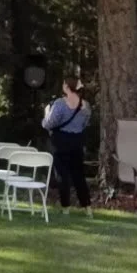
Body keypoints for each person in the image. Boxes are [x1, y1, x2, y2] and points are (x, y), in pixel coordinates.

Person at [43, 74, 92, 210]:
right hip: (77, 141)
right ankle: (86, 205)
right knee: (78, 174)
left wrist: (47, 112)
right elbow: (85, 124)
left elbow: (48, 124)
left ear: (66, 86)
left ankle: (66, 205)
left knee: (62, 174)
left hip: (60, 142)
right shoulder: (85, 105)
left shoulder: (59, 104)